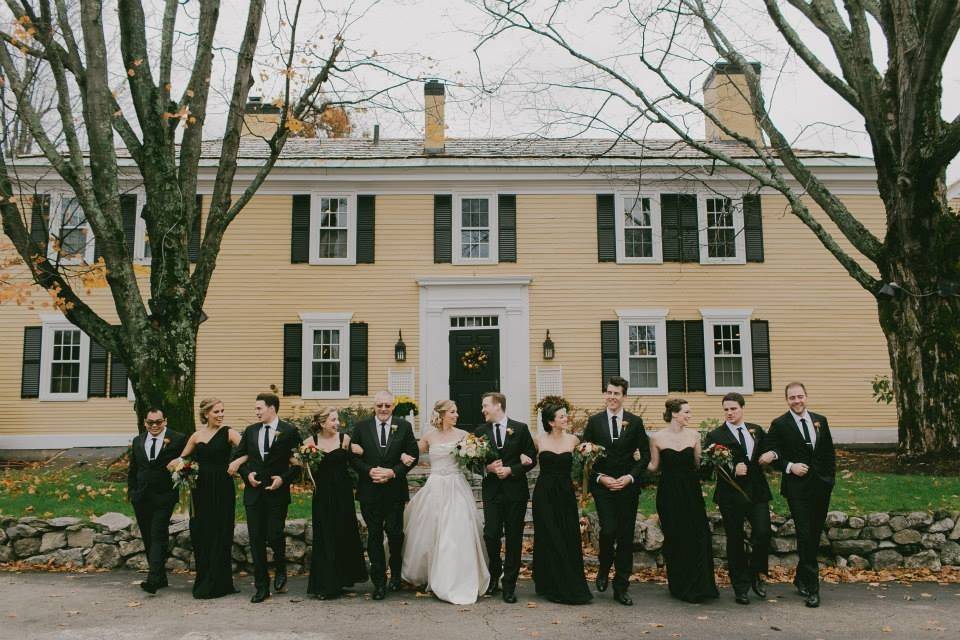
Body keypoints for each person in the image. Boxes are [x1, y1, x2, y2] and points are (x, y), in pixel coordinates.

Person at [401, 399, 490, 605]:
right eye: (452, 411)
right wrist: (404, 454)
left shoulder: (463, 436)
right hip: (435, 487)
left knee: (455, 532)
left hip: (456, 486)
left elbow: (476, 459)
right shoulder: (429, 436)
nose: (456, 415)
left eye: (456, 411)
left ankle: (455, 576)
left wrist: (476, 454)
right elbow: (414, 452)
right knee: (431, 531)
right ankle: (431, 573)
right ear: (441, 415)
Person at [765, 382, 836, 608]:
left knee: (813, 535)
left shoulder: (820, 420)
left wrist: (829, 480)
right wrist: (790, 467)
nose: (797, 401)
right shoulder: (779, 424)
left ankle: (800, 577)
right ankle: (813, 589)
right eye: (792, 398)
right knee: (805, 534)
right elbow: (773, 454)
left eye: (800, 396)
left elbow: (828, 452)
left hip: (820, 487)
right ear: (787, 400)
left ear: (806, 396)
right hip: (797, 489)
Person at [582, 376, 649, 605]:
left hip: (627, 487)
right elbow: (584, 456)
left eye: (616, 393)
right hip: (604, 487)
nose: (611, 397)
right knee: (608, 530)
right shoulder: (594, 422)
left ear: (624, 396)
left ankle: (621, 586)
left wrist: (630, 477)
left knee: (625, 537)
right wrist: (601, 478)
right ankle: (603, 568)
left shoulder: (635, 422)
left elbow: (645, 456)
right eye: (609, 393)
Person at [704, 393, 775, 605]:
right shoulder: (716, 435)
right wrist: (732, 468)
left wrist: (772, 455)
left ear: (742, 408)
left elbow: (771, 449)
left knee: (762, 533)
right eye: (726, 409)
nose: (729, 413)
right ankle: (740, 587)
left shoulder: (756, 430)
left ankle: (756, 573)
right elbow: (708, 466)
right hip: (730, 495)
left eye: (733, 409)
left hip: (757, 492)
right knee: (735, 539)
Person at [648, 398, 719, 603]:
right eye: (686, 412)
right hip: (669, 492)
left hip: (691, 490)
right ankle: (679, 585)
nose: (689, 416)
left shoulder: (695, 435)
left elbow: (698, 464)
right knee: (676, 535)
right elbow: (654, 466)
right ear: (674, 414)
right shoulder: (657, 438)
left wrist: (715, 458)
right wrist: (637, 461)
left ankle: (701, 585)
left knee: (697, 534)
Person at [169, 398, 241, 599]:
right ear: (206, 414)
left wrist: (237, 462)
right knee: (202, 532)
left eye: (222, 411)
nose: (220, 415)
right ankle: (205, 580)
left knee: (222, 531)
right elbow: (182, 459)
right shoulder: (196, 436)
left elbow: (249, 449)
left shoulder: (229, 432)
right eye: (216, 411)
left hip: (222, 487)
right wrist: (177, 466)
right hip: (200, 490)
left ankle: (222, 583)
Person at [231, 392, 299, 603]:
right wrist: (247, 474)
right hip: (253, 494)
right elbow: (239, 459)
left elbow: (298, 465)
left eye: (259, 408)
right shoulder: (251, 431)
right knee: (256, 540)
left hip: (276, 493)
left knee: (274, 534)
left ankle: (280, 567)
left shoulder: (289, 431)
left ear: (272, 408)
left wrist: (283, 479)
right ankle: (261, 586)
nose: (256, 412)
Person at [351, 390, 419, 600]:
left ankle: (396, 574)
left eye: (387, 406)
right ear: (374, 406)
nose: (383, 409)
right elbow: (352, 457)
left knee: (395, 534)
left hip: (394, 491)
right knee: (374, 536)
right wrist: (369, 471)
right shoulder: (362, 427)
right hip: (369, 491)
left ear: (393, 407)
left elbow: (413, 455)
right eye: (379, 405)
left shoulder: (404, 427)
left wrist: (392, 472)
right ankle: (378, 582)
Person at [476, 391, 537, 603]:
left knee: (513, 538)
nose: (482, 410)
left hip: (515, 493)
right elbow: (471, 462)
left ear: (498, 406)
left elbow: (532, 459)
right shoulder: (480, 431)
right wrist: (488, 468)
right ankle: (495, 574)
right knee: (491, 534)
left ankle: (509, 585)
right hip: (492, 492)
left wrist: (512, 470)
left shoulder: (520, 429)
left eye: (485, 406)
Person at [531, 401, 592, 604]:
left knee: (567, 535)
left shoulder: (574, 440)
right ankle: (548, 583)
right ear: (551, 421)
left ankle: (569, 582)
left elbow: (585, 462)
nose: (566, 419)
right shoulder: (538, 440)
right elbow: (526, 460)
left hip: (565, 493)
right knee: (549, 535)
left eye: (566, 415)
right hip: (544, 494)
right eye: (562, 416)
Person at [304, 407, 368, 600]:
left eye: (337, 419)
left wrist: (361, 451)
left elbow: (355, 460)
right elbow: (303, 466)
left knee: (342, 532)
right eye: (332, 420)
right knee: (324, 535)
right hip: (322, 494)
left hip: (343, 493)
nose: (337, 423)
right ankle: (325, 584)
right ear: (322, 423)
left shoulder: (344, 440)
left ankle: (342, 579)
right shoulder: (310, 443)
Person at [127, 407, 186, 594]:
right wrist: (132, 492)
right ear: (145, 423)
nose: (154, 426)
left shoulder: (177, 439)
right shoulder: (138, 441)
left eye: (158, 422)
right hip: (141, 496)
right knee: (148, 536)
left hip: (164, 495)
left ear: (165, 421)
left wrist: (180, 467)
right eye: (150, 422)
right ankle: (160, 577)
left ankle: (152, 578)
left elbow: (187, 460)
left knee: (158, 533)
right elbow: (133, 469)